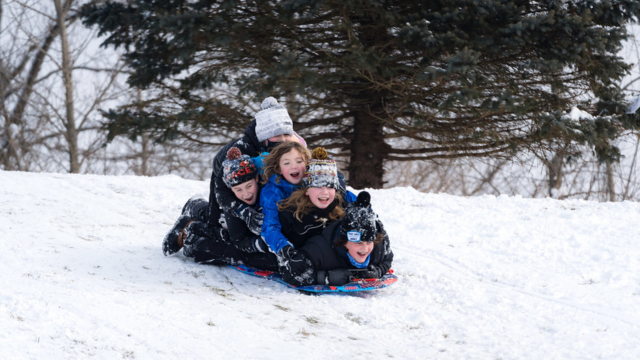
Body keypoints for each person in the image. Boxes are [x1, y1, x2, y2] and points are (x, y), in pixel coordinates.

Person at [162, 96, 303, 256]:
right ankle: (193, 207)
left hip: (253, 182)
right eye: (277, 136)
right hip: (225, 177)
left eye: (286, 135)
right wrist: (243, 211)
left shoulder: (293, 144)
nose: (283, 140)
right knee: (214, 221)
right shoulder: (244, 151)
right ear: (264, 136)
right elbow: (222, 191)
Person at [163, 147, 278, 270]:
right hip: (233, 213)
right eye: (238, 189)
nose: (246, 193)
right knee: (217, 222)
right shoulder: (233, 200)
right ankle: (192, 220)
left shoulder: (269, 185)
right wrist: (258, 244)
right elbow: (238, 239)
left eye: (249, 186)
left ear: (256, 179)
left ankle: (195, 231)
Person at [279, 191, 394, 287]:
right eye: (358, 243)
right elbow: (290, 273)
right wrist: (326, 278)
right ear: (344, 241)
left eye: (369, 242)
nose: (365, 249)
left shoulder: (378, 247)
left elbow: (388, 259)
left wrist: (378, 271)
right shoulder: (320, 250)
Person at [277, 147, 355, 248]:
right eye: (318, 186)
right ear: (306, 190)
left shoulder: (344, 207)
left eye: (330, 186)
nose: (325, 192)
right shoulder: (290, 214)